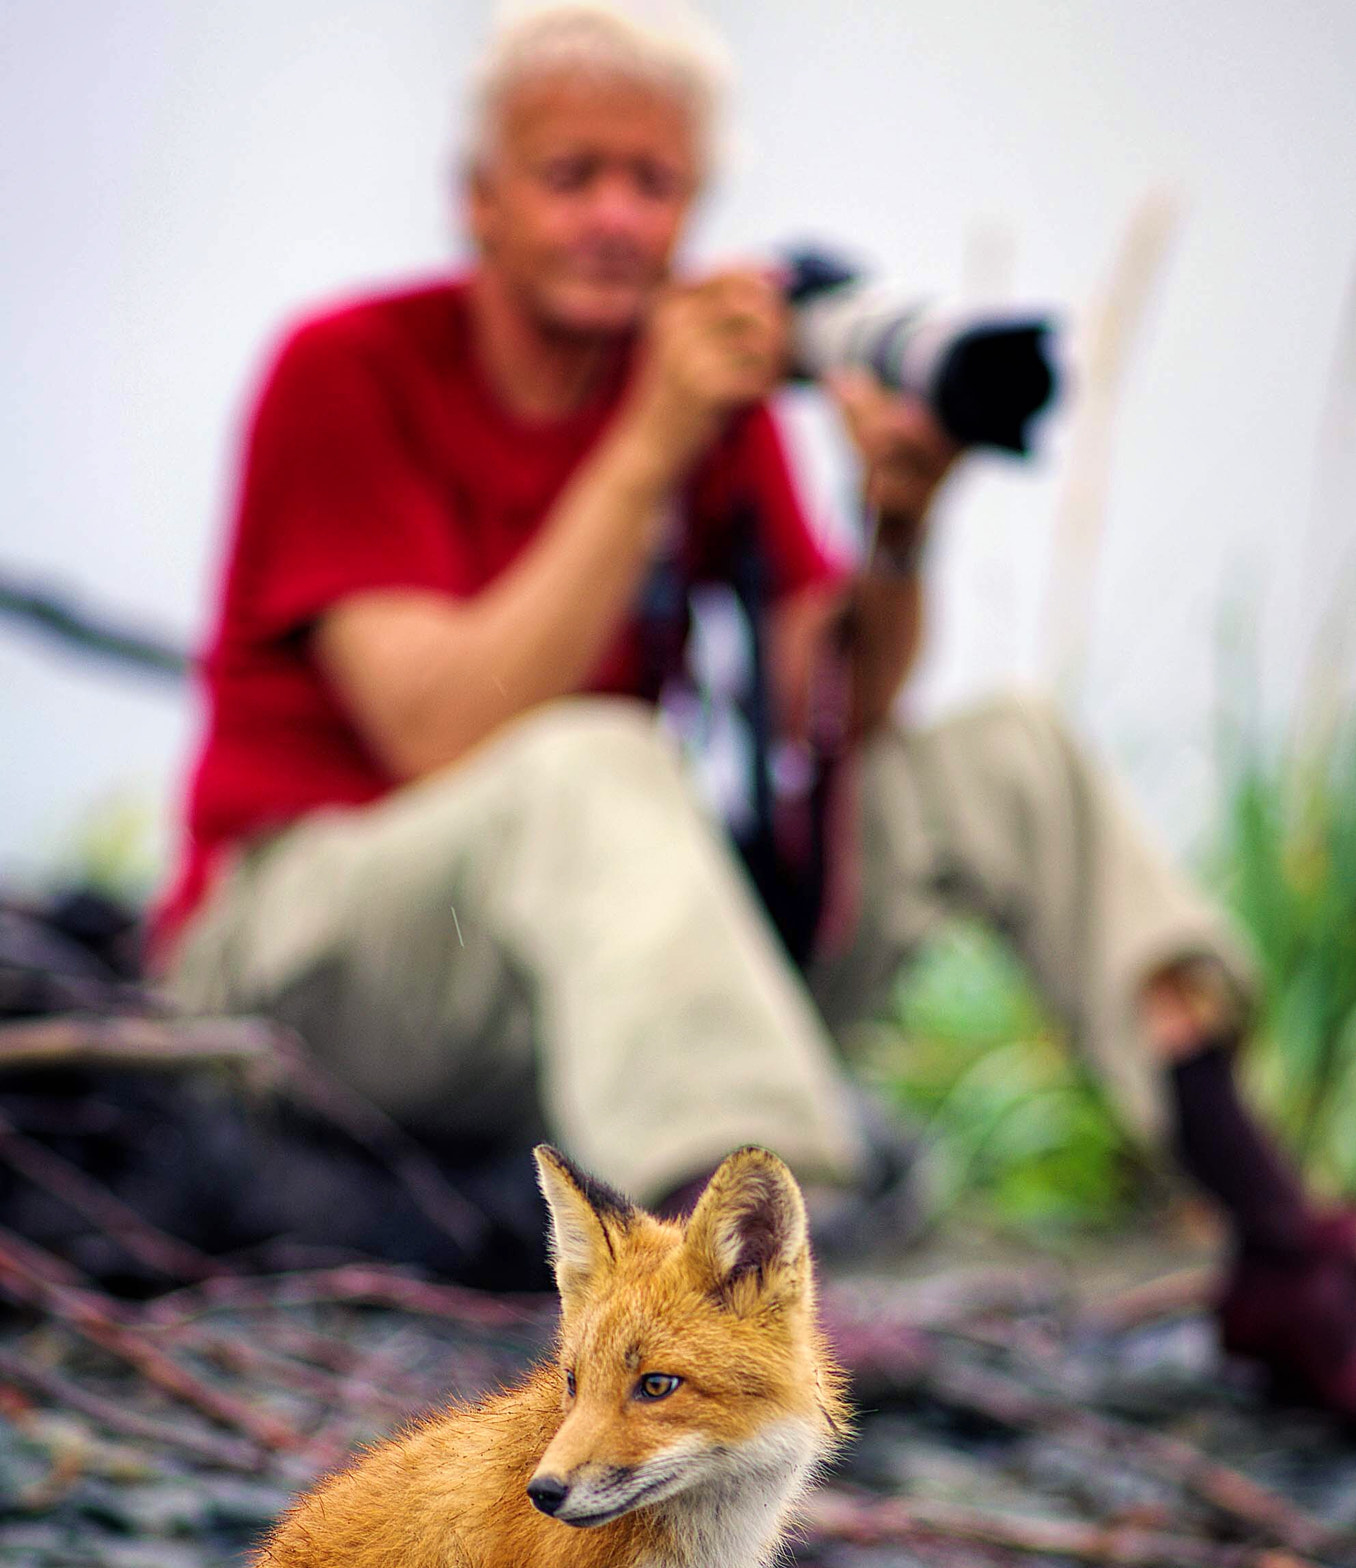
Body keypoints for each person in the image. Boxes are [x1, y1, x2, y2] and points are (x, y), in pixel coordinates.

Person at [156, 2, 1356, 1408]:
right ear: (479, 202)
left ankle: (1278, 1237)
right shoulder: (348, 372)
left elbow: (837, 714)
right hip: (305, 955)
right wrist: (653, 440)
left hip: (567, 971)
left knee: (1003, 755)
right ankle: (743, 1295)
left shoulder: (697, 398)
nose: (615, 215)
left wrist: (899, 526)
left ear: (695, 206)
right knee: (597, 763)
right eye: (571, 174)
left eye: (653, 181)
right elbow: (440, 734)